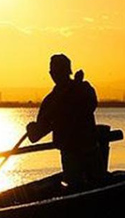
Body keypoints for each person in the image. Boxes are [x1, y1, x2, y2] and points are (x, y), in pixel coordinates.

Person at [26, 54, 103, 188]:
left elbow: (90, 105)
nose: (54, 74)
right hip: (70, 155)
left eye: (57, 70)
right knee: (76, 186)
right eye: (53, 70)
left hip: (89, 151)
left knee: (98, 184)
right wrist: (31, 128)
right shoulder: (51, 101)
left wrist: (74, 91)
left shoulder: (83, 89)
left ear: (67, 71)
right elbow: (36, 135)